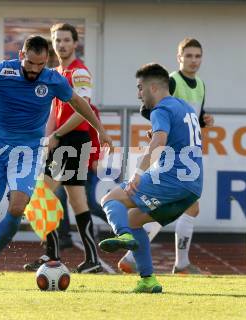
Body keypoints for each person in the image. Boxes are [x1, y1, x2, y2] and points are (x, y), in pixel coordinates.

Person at [0, 35, 112, 288]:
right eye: (30, 63)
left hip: (27, 152)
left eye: (40, 65)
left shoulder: (52, 79)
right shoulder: (1, 71)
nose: (34, 70)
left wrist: (100, 130)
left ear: (46, 62)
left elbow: (77, 102)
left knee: (18, 207)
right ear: (21, 56)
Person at [98, 63, 203, 293]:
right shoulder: (184, 107)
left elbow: (159, 142)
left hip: (170, 178)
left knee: (109, 199)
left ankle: (123, 236)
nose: (138, 94)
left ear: (153, 87)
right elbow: (183, 140)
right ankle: (148, 280)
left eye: (140, 88)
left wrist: (138, 173)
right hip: (192, 188)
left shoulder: (161, 109)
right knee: (135, 219)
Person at [119, 38, 214, 275]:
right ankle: (169, 262)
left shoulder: (200, 84)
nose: (193, 60)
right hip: (170, 156)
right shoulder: (171, 80)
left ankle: (137, 256)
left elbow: (192, 117)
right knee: (179, 206)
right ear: (179, 57)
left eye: (197, 56)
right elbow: (149, 107)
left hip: (186, 155)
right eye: (189, 55)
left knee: (180, 208)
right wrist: (159, 130)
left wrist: (204, 120)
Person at [24, 23, 104, 273]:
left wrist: (57, 134)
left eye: (66, 40)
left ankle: (52, 255)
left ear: (75, 43)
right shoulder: (55, 71)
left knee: (41, 195)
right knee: (77, 201)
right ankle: (92, 260)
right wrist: (47, 138)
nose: (61, 44)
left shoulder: (79, 72)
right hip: (65, 141)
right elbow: (52, 112)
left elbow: (84, 111)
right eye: (57, 40)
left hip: (73, 140)